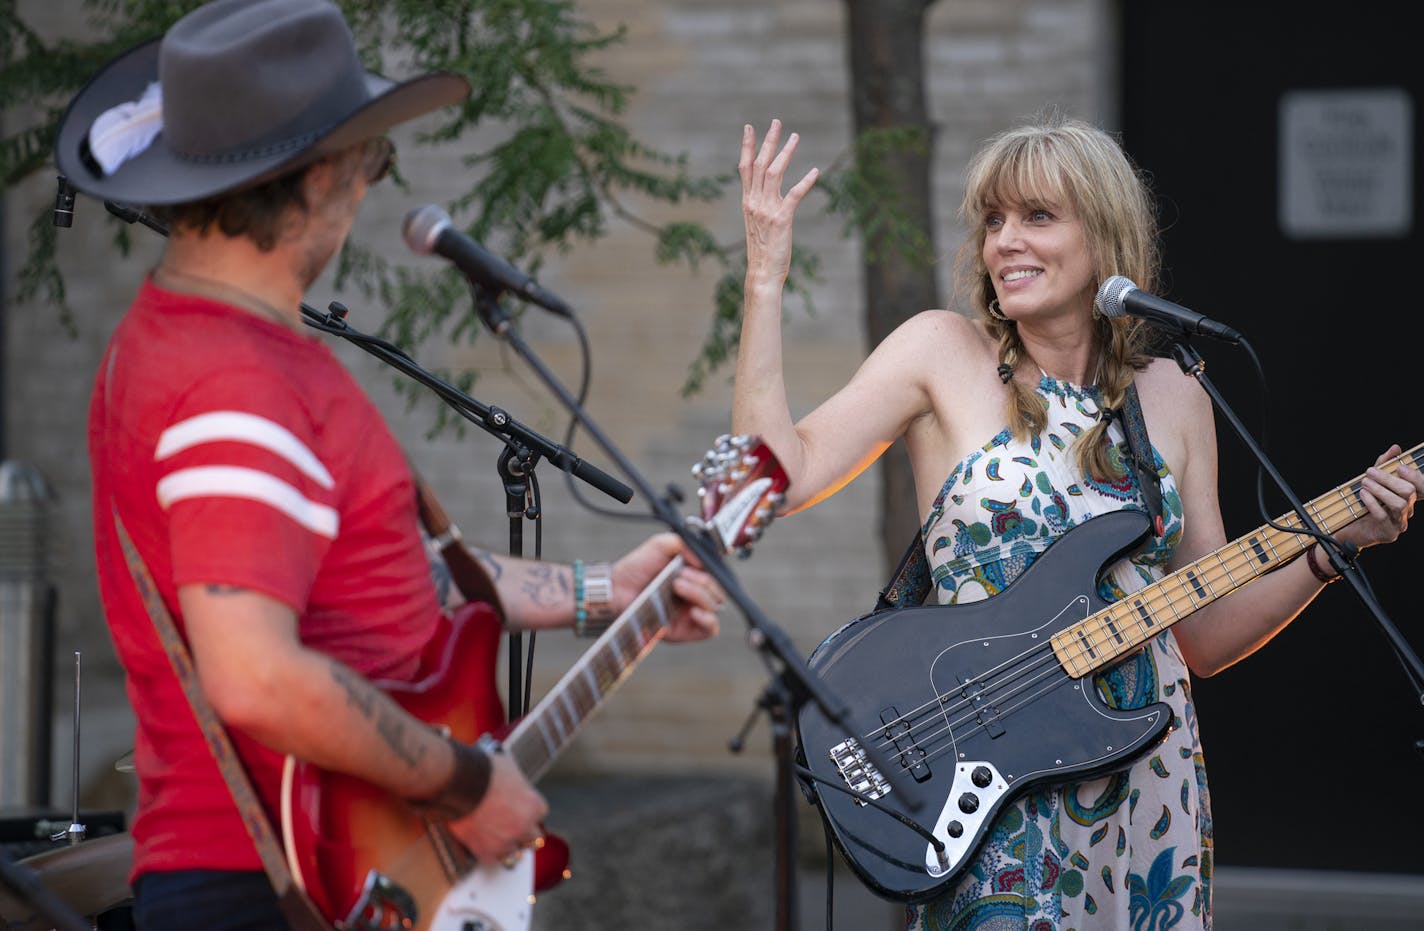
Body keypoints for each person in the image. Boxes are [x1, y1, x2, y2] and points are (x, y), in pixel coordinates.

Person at [52, 1, 725, 928]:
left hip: (337, 865)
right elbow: (254, 675)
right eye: (377, 161)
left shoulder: (220, 343)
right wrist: (464, 784)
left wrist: (605, 587)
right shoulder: (230, 382)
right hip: (278, 884)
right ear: (323, 172)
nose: (373, 187)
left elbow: (381, 588)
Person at [732, 112, 1422, 929]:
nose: (1005, 242)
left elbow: (1201, 637)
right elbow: (771, 476)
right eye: (993, 220)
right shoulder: (941, 355)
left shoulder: (1177, 392)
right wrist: (765, 276)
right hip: (993, 787)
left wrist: (1327, 548)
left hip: (1149, 789)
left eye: (1037, 217)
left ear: (1105, 238)